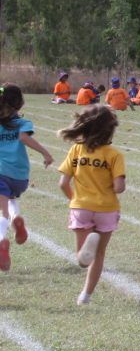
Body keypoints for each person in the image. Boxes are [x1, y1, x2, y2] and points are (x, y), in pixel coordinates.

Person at [57, 105, 126, 305]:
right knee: (100, 255)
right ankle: (85, 295)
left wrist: (74, 201)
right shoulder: (114, 155)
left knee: (82, 258)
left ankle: (83, 255)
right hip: (107, 209)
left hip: (81, 207)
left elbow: (63, 184)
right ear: (110, 130)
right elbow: (119, 187)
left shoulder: (76, 150)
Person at [0, 86, 54, 275]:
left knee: (2, 210)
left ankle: (1, 239)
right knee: (11, 199)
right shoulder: (23, 123)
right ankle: (17, 219)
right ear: (19, 103)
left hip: (0, 173)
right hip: (20, 176)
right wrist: (45, 153)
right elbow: (23, 138)